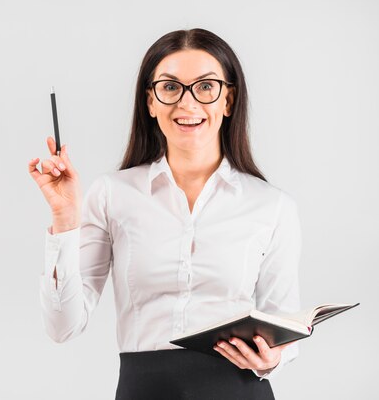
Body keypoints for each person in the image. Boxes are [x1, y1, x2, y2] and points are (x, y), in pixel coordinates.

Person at [27, 28, 301, 400]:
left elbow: (284, 327)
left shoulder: (272, 205)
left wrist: (271, 359)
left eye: (206, 87)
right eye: (170, 87)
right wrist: (64, 219)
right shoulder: (112, 194)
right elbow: (63, 327)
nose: (187, 104)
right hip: (145, 390)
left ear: (229, 100)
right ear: (151, 102)